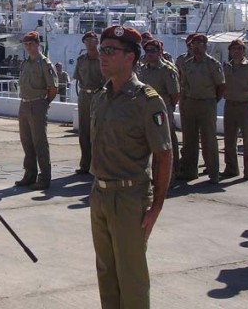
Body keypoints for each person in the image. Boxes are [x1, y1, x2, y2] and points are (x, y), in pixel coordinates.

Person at [90, 25, 172, 308]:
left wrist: (156, 207)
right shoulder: (100, 98)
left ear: (130, 57)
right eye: (102, 50)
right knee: (106, 275)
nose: (103, 56)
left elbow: (164, 154)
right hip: (99, 194)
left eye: (110, 51)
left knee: (131, 279)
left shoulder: (147, 101)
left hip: (129, 198)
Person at [178, 33, 225, 183]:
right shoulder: (188, 64)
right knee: (189, 139)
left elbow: (221, 86)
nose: (196, 47)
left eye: (199, 44)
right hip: (190, 102)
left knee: (208, 139)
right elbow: (184, 84)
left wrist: (212, 100)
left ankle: (213, 172)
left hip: (207, 103)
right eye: (194, 45)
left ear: (205, 46)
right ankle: (190, 171)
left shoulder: (212, 64)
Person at [14, 31, 58, 191]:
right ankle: (29, 174)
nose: (28, 47)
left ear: (37, 44)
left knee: (40, 142)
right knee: (26, 141)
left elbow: (53, 87)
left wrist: (44, 103)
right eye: (25, 44)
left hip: (37, 104)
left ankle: (44, 177)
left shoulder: (44, 64)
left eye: (31, 44)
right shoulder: (25, 64)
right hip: (24, 104)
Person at [138, 39, 181, 178]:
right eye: (147, 51)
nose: (149, 54)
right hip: (145, 109)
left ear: (160, 52)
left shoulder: (167, 71)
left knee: (164, 142)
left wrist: (168, 107)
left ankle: (170, 171)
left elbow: (175, 94)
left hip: (161, 110)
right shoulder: (143, 70)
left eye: (153, 51)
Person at [221, 39, 248, 180]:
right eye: (234, 49)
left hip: (246, 105)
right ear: (230, 51)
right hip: (230, 105)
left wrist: (246, 94)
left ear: (244, 51)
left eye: (239, 48)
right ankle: (231, 169)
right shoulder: (226, 67)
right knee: (229, 139)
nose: (236, 51)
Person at [73, 31, 105, 175]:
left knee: (99, 132)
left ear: (97, 42)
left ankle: (99, 164)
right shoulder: (81, 60)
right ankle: (85, 164)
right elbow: (78, 78)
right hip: (85, 97)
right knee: (84, 132)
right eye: (87, 40)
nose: (90, 42)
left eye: (93, 39)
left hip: (100, 96)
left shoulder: (104, 59)